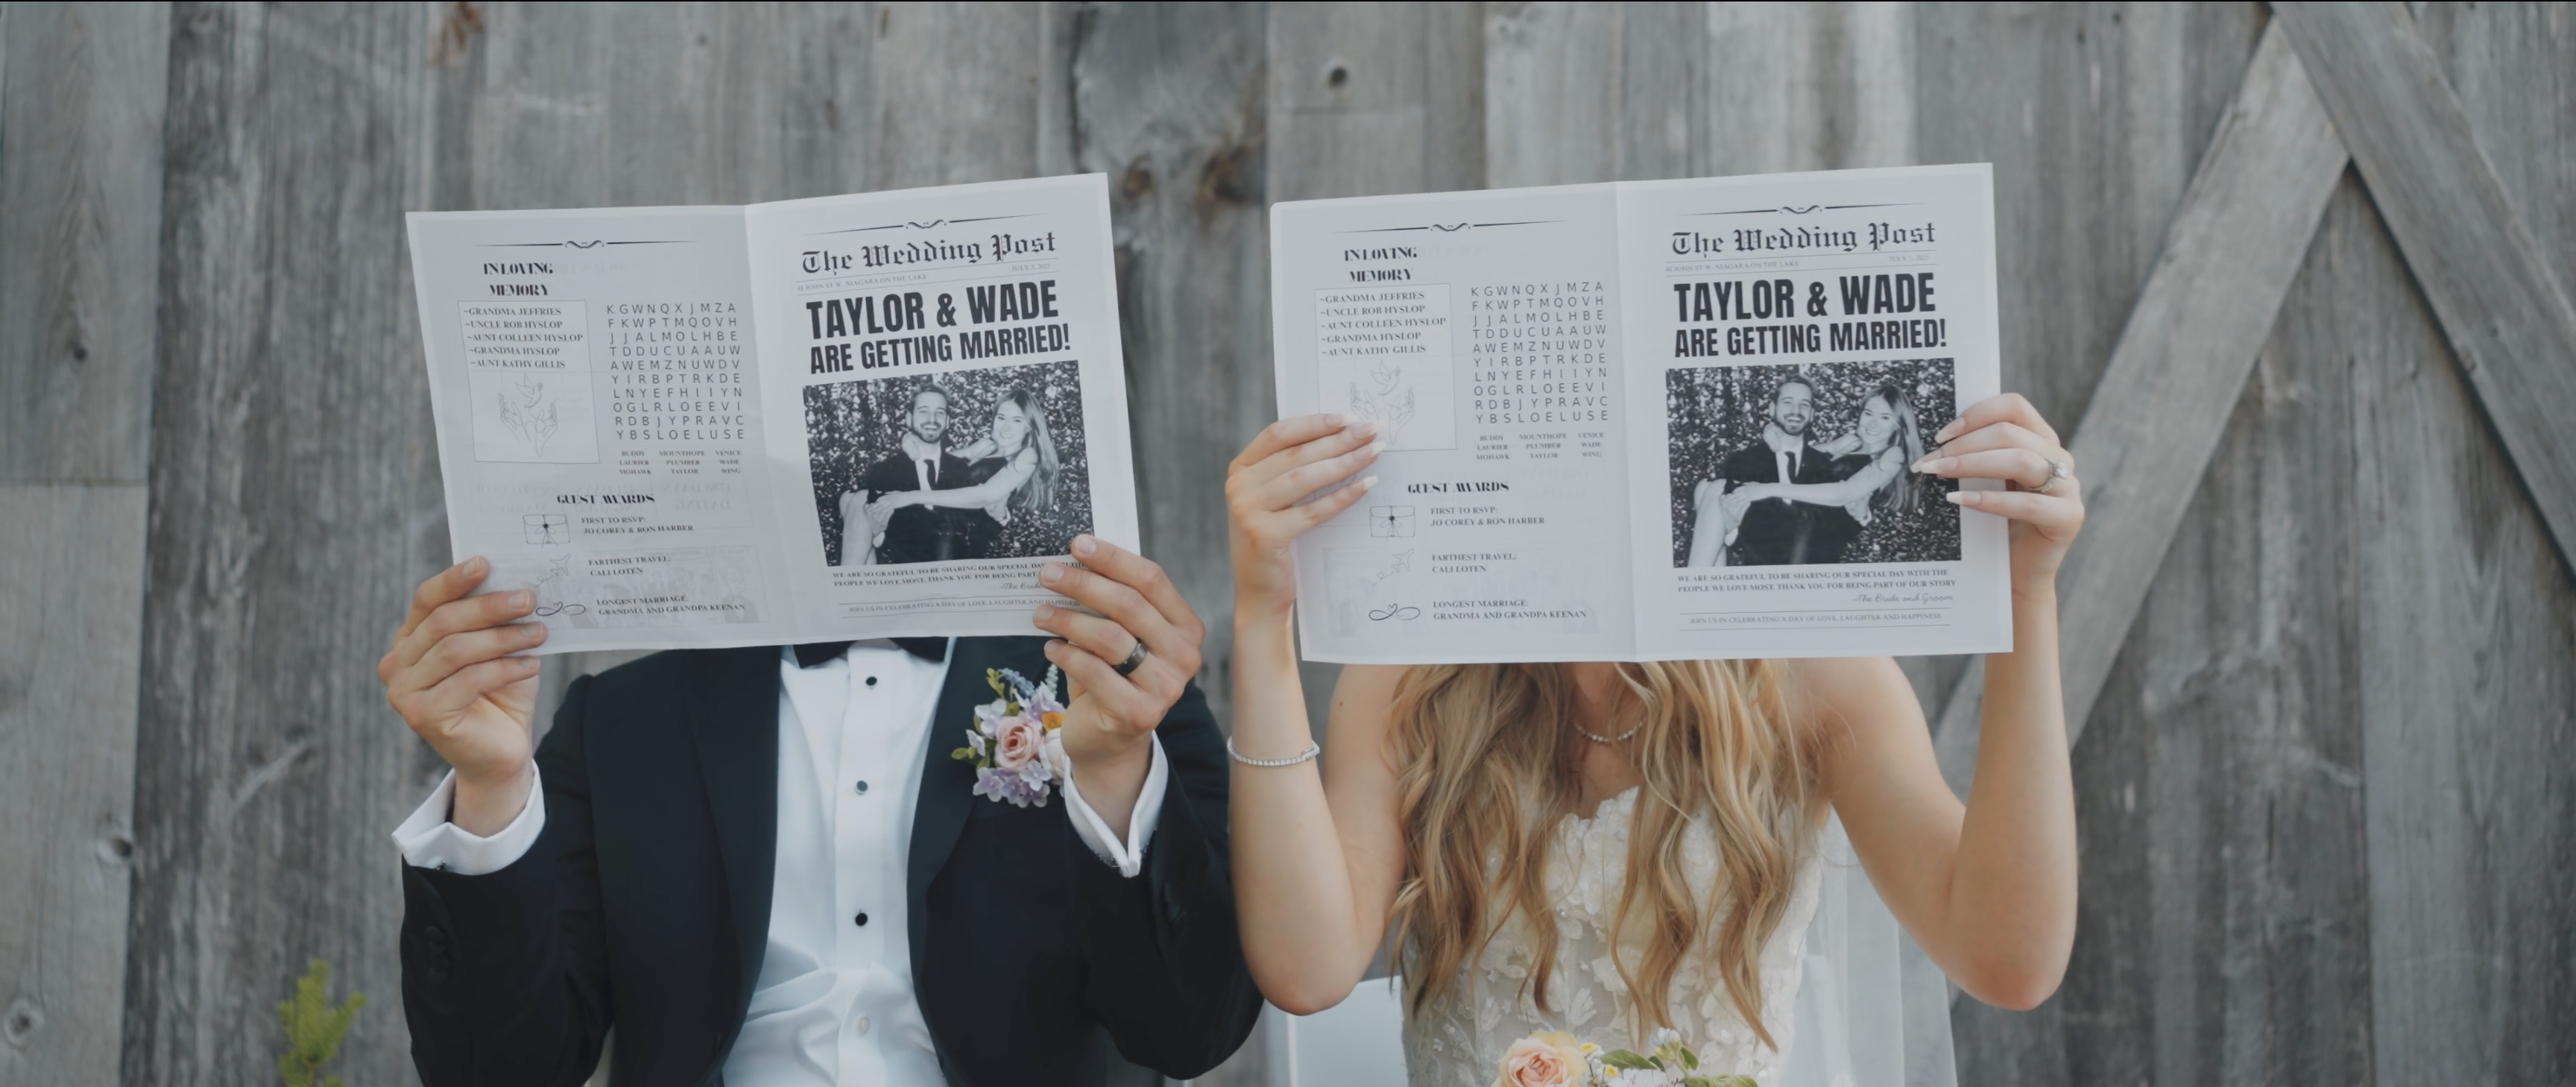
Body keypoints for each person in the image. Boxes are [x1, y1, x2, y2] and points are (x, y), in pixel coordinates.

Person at [1223, 395, 2083, 1085]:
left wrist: (2026, 600)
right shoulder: (1413, 670)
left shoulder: (1811, 670)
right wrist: (1263, 622)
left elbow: (2008, 961)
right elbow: (1306, 969)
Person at [376, 535, 1260, 1086]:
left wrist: (1109, 770)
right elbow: (496, 1074)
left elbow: (1190, 1030)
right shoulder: (621, 723)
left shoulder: (1114, 691)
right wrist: (491, 793)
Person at [1731, 383, 1940, 564]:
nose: (1873, 424)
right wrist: (1773, 429)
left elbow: (1845, 494)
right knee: (1712, 489)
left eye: (1885, 417)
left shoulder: (1893, 455)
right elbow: (1798, 452)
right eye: (1868, 414)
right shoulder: (1850, 443)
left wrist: (1768, 490)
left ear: (1899, 424)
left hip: (1818, 530)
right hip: (1796, 518)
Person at [868, 388, 1067, 559]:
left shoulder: (1027, 457)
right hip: (933, 524)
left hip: (960, 540)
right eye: (1001, 418)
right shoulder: (985, 446)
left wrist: (908, 498)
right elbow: (935, 460)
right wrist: (911, 437)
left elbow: (984, 496)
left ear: (1030, 427)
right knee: (855, 500)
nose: (1006, 427)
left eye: (1017, 420)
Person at [1686, 375, 1860, 567]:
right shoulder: (1744, 462)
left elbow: (1833, 536)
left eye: (1804, 405)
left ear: (1812, 414)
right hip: (1760, 570)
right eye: (1787, 403)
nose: (1796, 411)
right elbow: (1736, 535)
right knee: (1707, 488)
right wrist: (1732, 527)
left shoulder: (1826, 467)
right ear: (1772, 409)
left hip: (1807, 568)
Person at [839, 383, 982, 565]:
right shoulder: (886, 471)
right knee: (854, 498)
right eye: (923, 411)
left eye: (940, 412)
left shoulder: (962, 470)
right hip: (905, 569)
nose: (932, 419)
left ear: (947, 422)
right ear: (909, 419)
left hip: (951, 565)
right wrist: (878, 530)